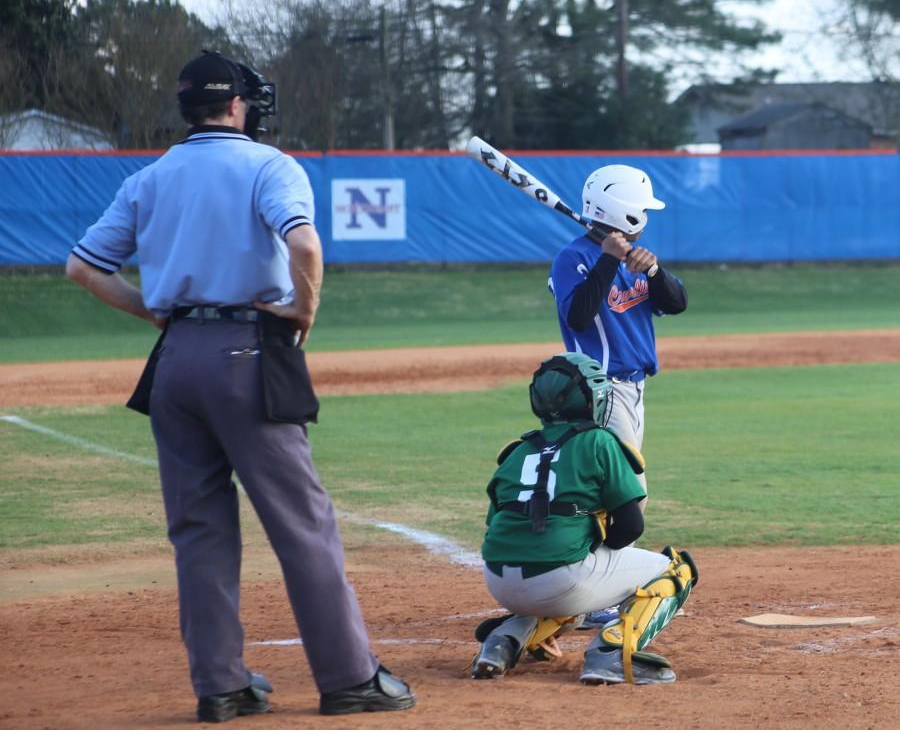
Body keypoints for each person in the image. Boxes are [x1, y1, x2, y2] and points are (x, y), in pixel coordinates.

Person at [65, 50, 415, 722]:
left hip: (174, 362)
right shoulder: (268, 165)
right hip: (248, 350)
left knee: (199, 531)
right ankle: (349, 678)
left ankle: (220, 685)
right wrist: (304, 310)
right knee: (301, 523)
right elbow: (305, 247)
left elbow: (82, 267)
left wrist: (154, 309)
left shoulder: (151, 177)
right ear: (236, 106)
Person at [470, 352, 697, 685]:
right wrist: (594, 545)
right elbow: (632, 526)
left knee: (562, 574)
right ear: (594, 399)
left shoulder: (518, 450)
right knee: (676, 570)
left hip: (498, 580)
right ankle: (610, 655)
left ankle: (504, 640)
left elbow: (498, 524)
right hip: (560, 580)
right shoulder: (599, 441)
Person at [548, 163, 688, 500]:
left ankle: (601, 550)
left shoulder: (635, 259)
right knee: (628, 490)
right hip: (602, 388)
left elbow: (677, 302)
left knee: (613, 485)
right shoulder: (573, 257)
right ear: (625, 213)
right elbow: (578, 317)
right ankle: (612, 554)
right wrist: (608, 261)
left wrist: (654, 271)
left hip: (635, 388)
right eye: (641, 209)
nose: (645, 216)